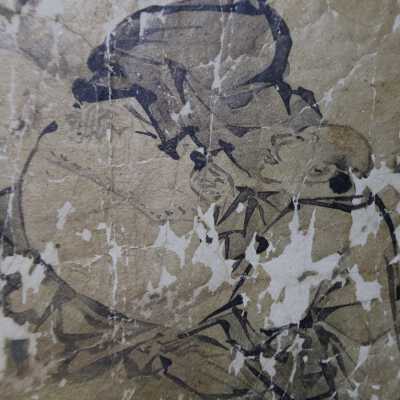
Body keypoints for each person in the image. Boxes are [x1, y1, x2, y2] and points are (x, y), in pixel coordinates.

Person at [1, 1, 399, 399]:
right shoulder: (113, 162)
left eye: (269, 80)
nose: (279, 100)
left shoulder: (321, 188)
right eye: (245, 88)